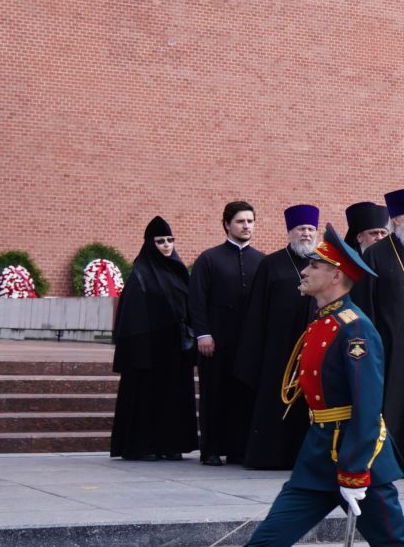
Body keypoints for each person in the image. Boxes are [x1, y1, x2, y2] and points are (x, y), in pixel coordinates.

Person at [114, 225, 404, 547]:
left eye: (315, 266)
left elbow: (366, 406)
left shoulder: (355, 330)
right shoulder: (322, 321)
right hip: (318, 457)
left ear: (337, 276)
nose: (305, 271)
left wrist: (356, 469)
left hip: (357, 461)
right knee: (264, 543)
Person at [353, 188, 404, 475]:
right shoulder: (376, 253)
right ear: (397, 218)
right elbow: (365, 302)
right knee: (387, 403)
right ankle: (383, 462)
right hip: (386, 342)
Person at [232, 206, 323, 470]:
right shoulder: (270, 264)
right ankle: (271, 457)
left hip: (315, 345)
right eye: (301, 229)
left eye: (310, 229)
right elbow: (256, 312)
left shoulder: (323, 263)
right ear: (290, 232)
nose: (306, 233)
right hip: (277, 347)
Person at [110, 215, 195, 461]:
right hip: (148, 350)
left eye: (170, 240)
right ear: (150, 244)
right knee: (146, 397)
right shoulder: (141, 273)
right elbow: (133, 314)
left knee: (173, 397)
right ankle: (143, 445)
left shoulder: (179, 271)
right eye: (160, 241)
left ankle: (171, 444)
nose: (167, 245)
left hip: (175, 349)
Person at [189, 201, 261, 464]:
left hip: (247, 342)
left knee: (242, 394)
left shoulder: (261, 260)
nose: (246, 226)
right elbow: (196, 299)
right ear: (227, 224)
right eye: (241, 221)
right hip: (216, 340)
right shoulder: (209, 259)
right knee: (214, 394)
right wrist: (202, 334)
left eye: (250, 221)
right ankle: (210, 449)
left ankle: (238, 448)